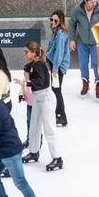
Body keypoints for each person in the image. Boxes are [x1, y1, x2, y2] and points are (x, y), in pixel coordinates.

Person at [17, 42, 62, 171]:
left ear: (34, 53)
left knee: (49, 129)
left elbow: (40, 82)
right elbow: (29, 67)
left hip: (46, 98)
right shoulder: (35, 64)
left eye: (26, 52)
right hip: (38, 98)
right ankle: (34, 151)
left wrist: (27, 83)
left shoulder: (39, 65)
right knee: (34, 126)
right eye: (24, 51)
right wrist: (27, 70)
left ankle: (57, 158)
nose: (24, 54)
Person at [68, 0, 99, 98]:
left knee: (96, 64)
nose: (93, 3)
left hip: (96, 42)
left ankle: (98, 84)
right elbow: (72, 24)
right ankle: (85, 82)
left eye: (94, 1)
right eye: (91, 1)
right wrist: (71, 39)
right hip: (82, 41)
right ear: (85, 1)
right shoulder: (78, 10)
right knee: (83, 64)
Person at [47, 11, 70, 127]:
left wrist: (55, 68)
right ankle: (59, 114)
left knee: (56, 89)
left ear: (60, 21)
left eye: (55, 20)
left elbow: (59, 53)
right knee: (56, 89)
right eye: (51, 19)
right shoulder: (55, 32)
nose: (53, 22)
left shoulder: (60, 34)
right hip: (55, 65)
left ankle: (62, 116)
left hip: (58, 66)